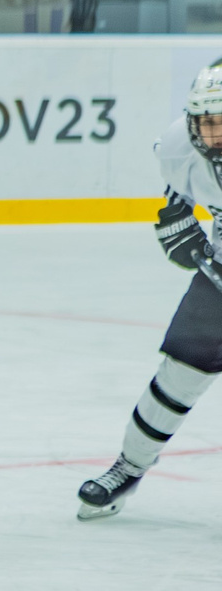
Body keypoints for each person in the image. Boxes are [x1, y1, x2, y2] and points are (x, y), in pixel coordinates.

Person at [78, 62, 222, 518]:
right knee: (179, 372)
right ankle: (127, 468)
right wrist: (177, 212)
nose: (213, 134)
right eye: (207, 122)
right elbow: (181, 186)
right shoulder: (181, 145)